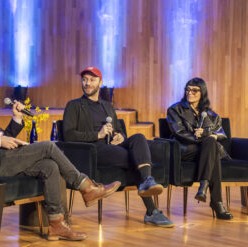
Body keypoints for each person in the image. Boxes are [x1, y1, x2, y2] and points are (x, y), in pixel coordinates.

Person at [0, 70, 121, 241]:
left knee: (49, 166)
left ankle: (56, 224)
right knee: (48, 146)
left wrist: (16, 119)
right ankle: (85, 186)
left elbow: (5, 138)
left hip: (3, 159)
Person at [62, 66, 174, 227]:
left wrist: (120, 135)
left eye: (92, 80)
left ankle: (148, 181)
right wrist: (97, 135)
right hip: (93, 151)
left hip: (112, 147)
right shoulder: (74, 105)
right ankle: (152, 210)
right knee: (133, 159)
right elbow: (68, 135)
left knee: (138, 137)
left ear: (100, 82)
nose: (87, 83)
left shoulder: (107, 106)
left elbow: (118, 129)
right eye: (84, 80)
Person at [166, 77, 233, 220]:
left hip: (205, 150)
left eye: (194, 90)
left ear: (202, 92)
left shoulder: (211, 114)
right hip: (185, 149)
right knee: (211, 147)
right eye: (188, 89)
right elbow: (178, 132)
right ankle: (215, 200)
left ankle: (204, 188)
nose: (190, 93)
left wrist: (209, 135)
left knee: (211, 144)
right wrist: (197, 137)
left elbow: (222, 134)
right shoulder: (175, 109)